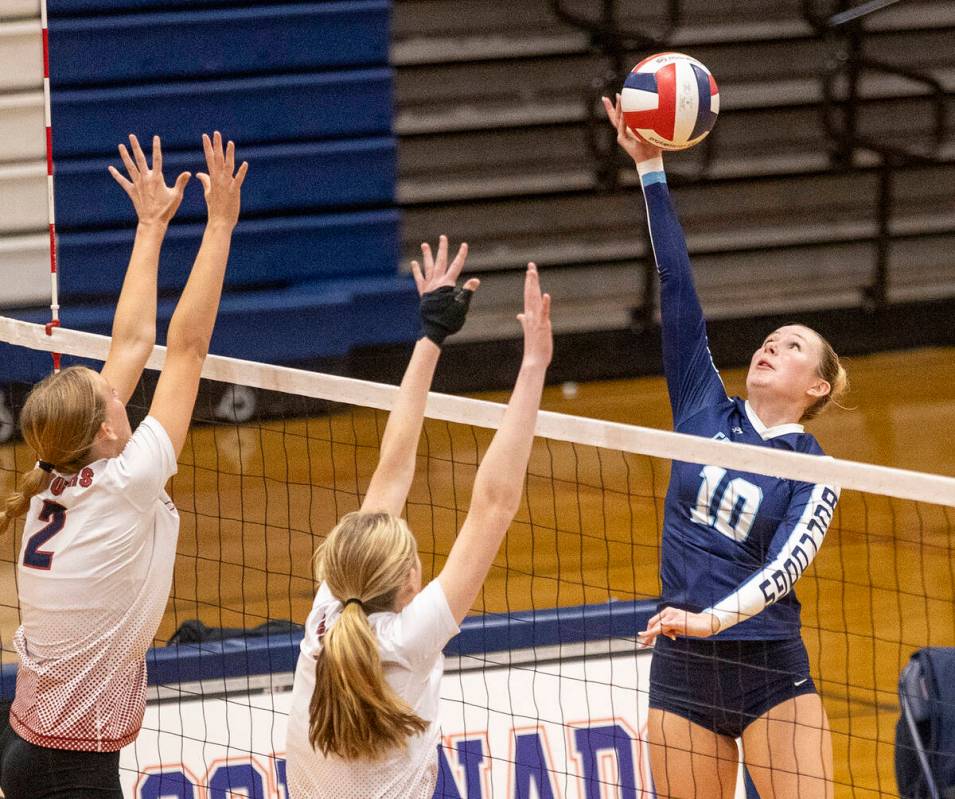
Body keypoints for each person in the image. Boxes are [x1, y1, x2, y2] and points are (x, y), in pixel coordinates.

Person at [603, 94, 847, 798]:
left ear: (818, 387)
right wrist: (650, 167)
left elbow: (781, 571)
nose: (772, 344)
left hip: (767, 665)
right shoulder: (703, 403)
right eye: (771, 338)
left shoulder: (815, 470)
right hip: (683, 672)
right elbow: (677, 286)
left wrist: (708, 618)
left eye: (793, 345)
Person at [0, 131, 247, 798]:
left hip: (36, 740)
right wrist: (220, 223)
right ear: (105, 427)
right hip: (64, 766)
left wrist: (150, 224)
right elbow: (186, 348)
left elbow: (135, 340)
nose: (120, 386)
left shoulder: (66, 470)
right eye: (111, 392)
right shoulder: (124, 481)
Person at [284, 237, 552, 798]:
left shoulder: (326, 619)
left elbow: (391, 474)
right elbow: (494, 502)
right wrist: (532, 365)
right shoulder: (410, 636)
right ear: (410, 579)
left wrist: (430, 335)